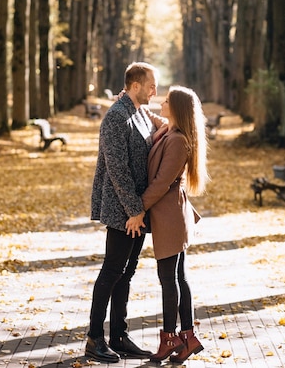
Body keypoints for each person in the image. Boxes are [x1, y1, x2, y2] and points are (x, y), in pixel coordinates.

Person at [85, 62, 167, 363]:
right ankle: (95, 339)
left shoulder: (138, 111)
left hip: (137, 211)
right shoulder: (116, 118)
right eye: (151, 85)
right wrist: (134, 211)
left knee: (127, 272)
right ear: (135, 86)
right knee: (111, 271)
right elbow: (117, 170)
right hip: (122, 208)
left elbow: (161, 123)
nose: (155, 91)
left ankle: (119, 335)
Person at [126, 85, 209, 363]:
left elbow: (161, 183)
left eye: (167, 101)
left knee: (168, 280)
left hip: (170, 217)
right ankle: (188, 337)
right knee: (178, 278)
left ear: (178, 109)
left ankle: (170, 338)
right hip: (171, 215)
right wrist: (134, 104)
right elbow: (159, 120)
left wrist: (138, 210)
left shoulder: (177, 141)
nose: (161, 103)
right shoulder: (170, 130)